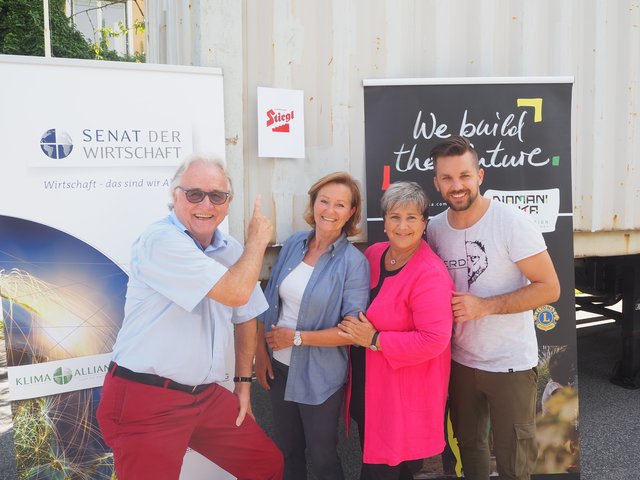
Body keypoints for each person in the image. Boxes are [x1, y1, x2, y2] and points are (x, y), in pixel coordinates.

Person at [96, 154, 284, 480]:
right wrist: (257, 242)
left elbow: (245, 315)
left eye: (217, 196)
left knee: (265, 465)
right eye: (194, 193)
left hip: (204, 395)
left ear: (228, 202)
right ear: (175, 195)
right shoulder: (160, 240)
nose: (206, 204)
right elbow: (237, 292)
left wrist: (242, 385)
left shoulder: (230, 248)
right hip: (147, 397)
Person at [426, 135, 561, 480]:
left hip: (510, 365)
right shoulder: (434, 229)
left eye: (464, 176)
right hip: (459, 363)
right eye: (447, 178)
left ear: (480, 176)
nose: (457, 186)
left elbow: (550, 288)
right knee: (469, 451)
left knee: (514, 461)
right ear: (436, 183)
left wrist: (485, 306)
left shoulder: (510, 221)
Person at [255, 172, 370, 480]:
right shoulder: (294, 243)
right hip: (278, 370)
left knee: (322, 460)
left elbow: (352, 332)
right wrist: (261, 353)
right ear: (314, 204)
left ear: (352, 212)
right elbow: (267, 300)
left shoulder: (353, 263)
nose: (330, 211)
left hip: (320, 378)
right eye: (324, 201)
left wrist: (296, 338)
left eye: (340, 205)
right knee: (287, 452)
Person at [338, 181, 454, 480]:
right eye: (395, 217)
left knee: (381, 471)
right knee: (389, 468)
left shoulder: (429, 273)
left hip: (399, 397)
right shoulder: (374, 255)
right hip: (370, 387)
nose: (403, 226)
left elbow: (434, 340)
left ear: (424, 223)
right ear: (385, 222)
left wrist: (375, 340)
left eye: (412, 217)